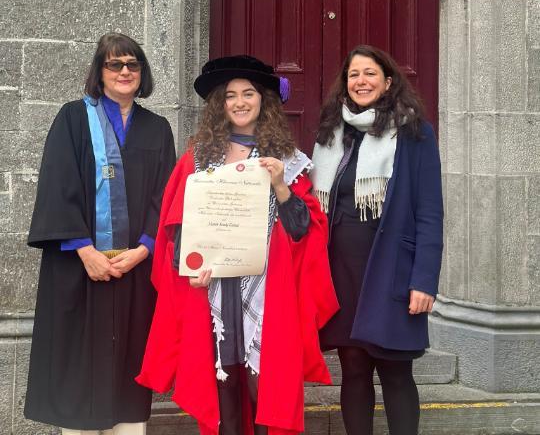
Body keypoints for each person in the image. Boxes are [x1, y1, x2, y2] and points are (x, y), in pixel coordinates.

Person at [136, 55, 338, 435]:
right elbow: (178, 226)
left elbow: (302, 229)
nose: (240, 102)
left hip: (268, 292)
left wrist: (280, 185)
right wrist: (189, 270)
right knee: (224, 382)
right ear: (220, 104)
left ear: (263, 100)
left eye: (248, 93)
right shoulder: (198, 158)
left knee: (265, 386)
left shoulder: (285, 160)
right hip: (215, 288)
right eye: (231, 95)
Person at [24, 32, 177, 435]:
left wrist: (144, 249)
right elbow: (58, 187)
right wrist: (85, 251)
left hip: (134, 271)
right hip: (79, 269)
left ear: (141, 73)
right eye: (115, 64)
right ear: (100, 71)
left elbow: (167, 197)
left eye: (132, 64)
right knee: (79, 366)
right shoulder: (73, 119)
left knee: (129, 361)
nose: (124, 71)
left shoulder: (157, 129)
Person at [313, 45, 443, 435]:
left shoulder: (414, 132)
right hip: (343, 272)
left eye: (370, 73)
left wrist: (424, 279)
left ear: (388, 82)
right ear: (345, 83)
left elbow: (430, 211)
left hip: (392, 271)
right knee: (353, 369)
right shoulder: (332, 133)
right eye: (354, 74)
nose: (361, 81)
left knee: (395, 369)